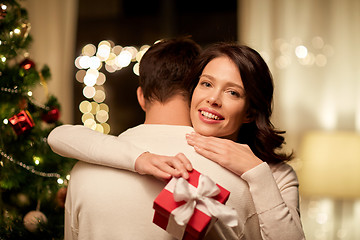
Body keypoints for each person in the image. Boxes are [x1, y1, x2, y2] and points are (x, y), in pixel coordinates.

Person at [49, 42, 305, 239]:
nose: (213, 99)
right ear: (190, 92)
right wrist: (141, 159)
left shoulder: (272, 176)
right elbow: (61, 136)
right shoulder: (125, 155)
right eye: (206, 84)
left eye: (233, 92)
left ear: (250, 111)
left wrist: (256, 171)